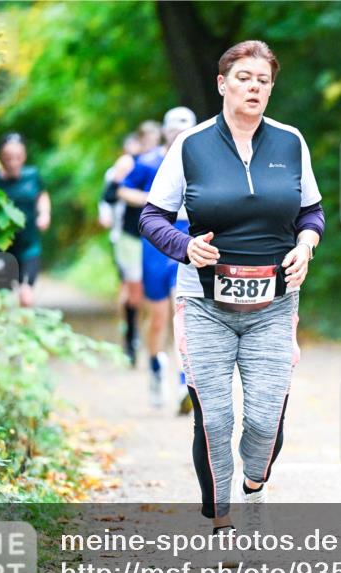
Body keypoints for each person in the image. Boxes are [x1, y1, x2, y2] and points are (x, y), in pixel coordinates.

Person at [138, 40, 325, 539]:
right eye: (244, 78)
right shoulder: (191, 144)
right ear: (223, 84)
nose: (254, 88)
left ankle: (254, 486)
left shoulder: (290, 142)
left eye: (263, 81)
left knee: (264, 421)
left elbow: (311, 212)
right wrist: (185, 246)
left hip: (274, 302)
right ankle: (222, 524)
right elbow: (152, 216)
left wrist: (306, 244)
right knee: (215, 419)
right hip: (204, 302)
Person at [118, 109, 196, 410]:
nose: (178, 135)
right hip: (155, 239)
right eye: (173, 130)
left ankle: (183, 382)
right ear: (165, 132)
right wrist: (151, 200)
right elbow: (123, 190)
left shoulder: (200, 161)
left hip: (188, 237)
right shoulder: (149, 161)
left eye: (184, 130)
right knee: (159, 316)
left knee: (182, 310)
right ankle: (154, 367)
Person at [110, 120, 162, 367]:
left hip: (153, 237)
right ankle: (131, 337)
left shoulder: (165, 162)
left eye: (155, 139)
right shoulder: (130, 164)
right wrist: (145, 198)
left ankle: (145, 337)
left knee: (149, 292)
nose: (152, 144)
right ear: (140, 140)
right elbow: (111, 194)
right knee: (134, 293)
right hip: (129, 234)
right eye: (147, 139)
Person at [0, 133, 51, 307]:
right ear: (0, 157)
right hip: (0, 248)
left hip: (28, 246)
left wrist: (44, 214)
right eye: (8, 157)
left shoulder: (33, 176)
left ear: (24, 157)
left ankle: (25, 323)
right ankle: (4, 325)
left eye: (18, 157)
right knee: (2, 298)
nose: (13, 162)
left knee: (26, 296)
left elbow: (42, 195)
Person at [99, 132, 142, 365]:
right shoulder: (115, 172)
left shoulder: (145, 170)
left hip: (140, 237)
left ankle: (134, 329)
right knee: (126, 286)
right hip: (120, 237)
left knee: (139, 289)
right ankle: (129, 332)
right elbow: (106, 199)